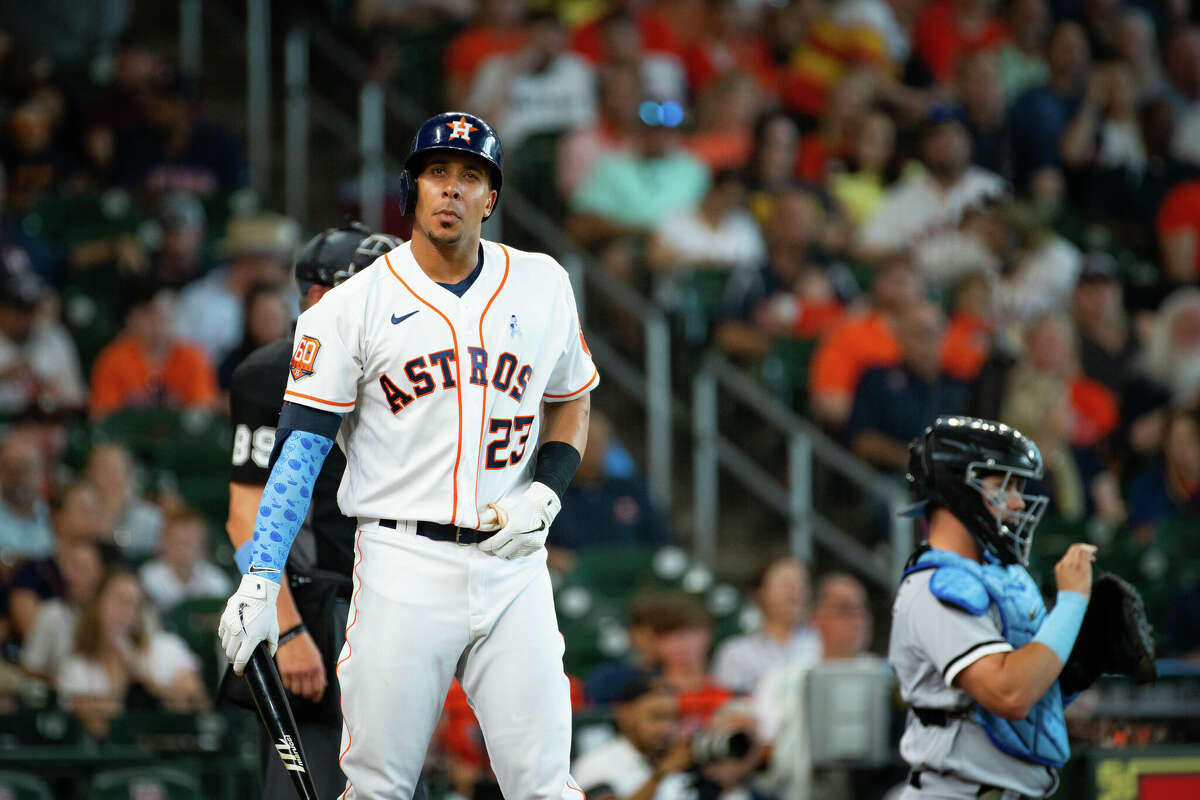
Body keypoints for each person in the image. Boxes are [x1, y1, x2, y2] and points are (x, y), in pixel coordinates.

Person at [218, 112, 597, 799]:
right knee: (379, 789)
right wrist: (261, 577)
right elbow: (300, 448)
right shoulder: (350, 306)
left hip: (513, 567)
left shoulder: (542, 283)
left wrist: (549, 491)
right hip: (403, 563)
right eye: (437, 173)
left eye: (470, 176)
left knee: (546, 786)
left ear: (492, 198)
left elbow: (571, 397)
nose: (452, 189)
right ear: (412, 190)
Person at [223, 221, 402, 800]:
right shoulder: (271, 373)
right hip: (315, 601)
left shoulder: (392, 365)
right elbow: (245, 513)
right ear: (324, 294)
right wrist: (290, 625)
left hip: (384, 600)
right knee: (307, 784)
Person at [889, 416, 1096, 798]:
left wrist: (1088, 649)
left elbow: (1034, 690)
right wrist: (1070, 603)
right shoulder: (937, 588)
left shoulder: (999, 577)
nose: (1017, 500)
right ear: (957, 487)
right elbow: (1009, 695)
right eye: (1004, 485)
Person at [58, 568, 208, 738]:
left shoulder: (166, 647)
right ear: (98, 603)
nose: (127, 612)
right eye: (120, 601)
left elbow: (196, 704)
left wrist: (141, 677)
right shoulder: (77, 666)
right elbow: (97, 728)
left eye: (135, 604)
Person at [712, 555, 820, 695]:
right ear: (759, 593)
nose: (796, 590)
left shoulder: (823, 645)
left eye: (801, 582)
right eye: (785, 583)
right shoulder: (736, 653)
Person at [139, 509, 231, 614]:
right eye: (177, 541)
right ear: (163, 543)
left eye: (190, 542)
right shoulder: (148, 577)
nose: (183, 549)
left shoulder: (216, 580)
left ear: (202, 547)